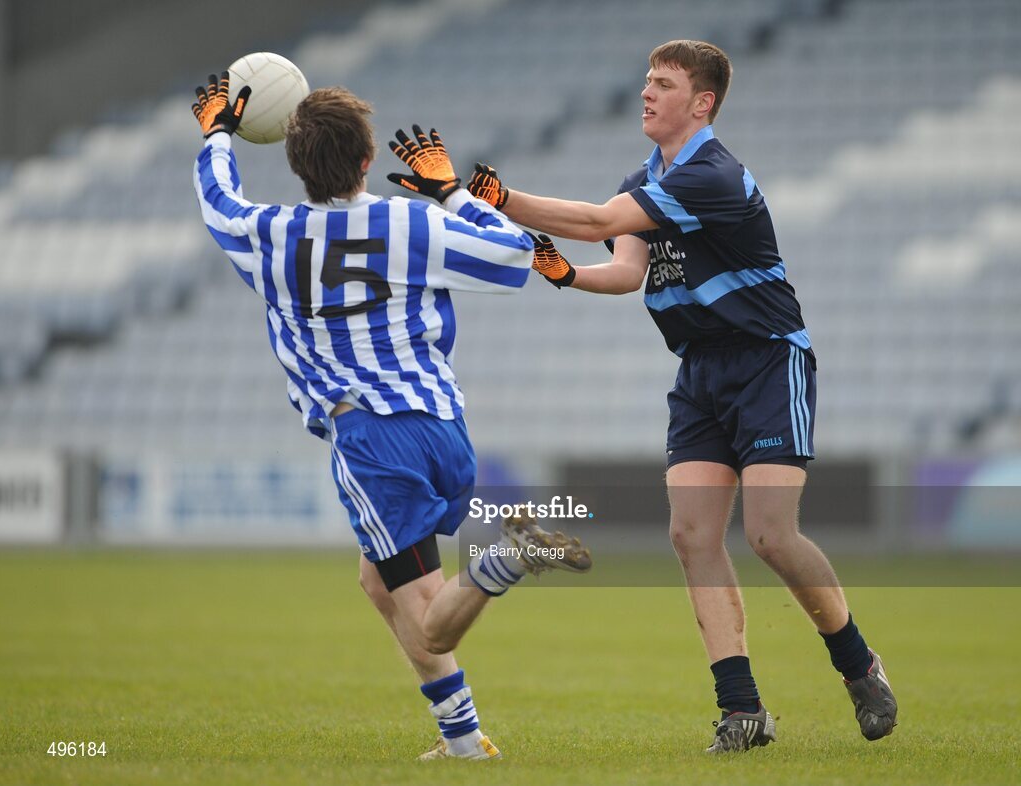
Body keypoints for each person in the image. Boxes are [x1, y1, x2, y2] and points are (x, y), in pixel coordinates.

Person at [452, 40, 898, 752]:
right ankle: (742, 711)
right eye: (646, 82)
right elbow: (625, 270)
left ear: (702, 102)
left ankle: (857, 664)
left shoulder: (714, 175)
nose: (646, 94)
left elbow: (600, 222)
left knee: (770, 536)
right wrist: (563, 274)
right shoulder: (647, 176)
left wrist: (498, 197)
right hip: (700, 371)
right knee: (692, 536)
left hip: (765, 363)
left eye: (663, 84)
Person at [191, 73, 591, 761]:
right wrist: (451, 192)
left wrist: (218, 134)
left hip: (375, 442)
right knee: (378, 580)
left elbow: (219, 205)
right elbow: (516, 253)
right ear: (370, 160)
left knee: (433, 625)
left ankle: (505, 559)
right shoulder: (411, 223)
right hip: (444, 429)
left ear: (292, 162)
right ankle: (462, 740)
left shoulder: (272, 233)